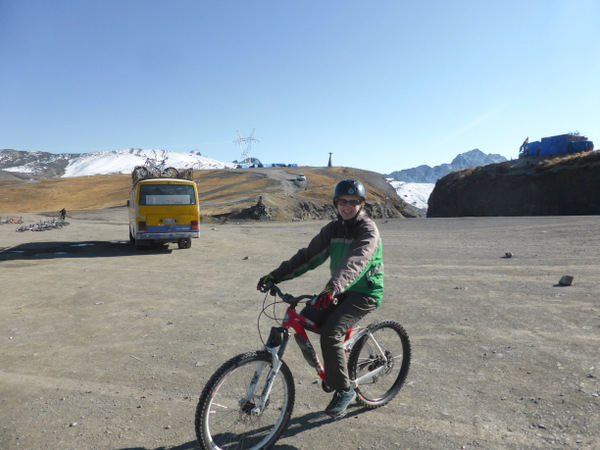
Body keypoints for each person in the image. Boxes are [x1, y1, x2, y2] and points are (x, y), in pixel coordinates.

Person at [257, 178, 384, 419]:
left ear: (361, 204)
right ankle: (335, 366)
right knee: (304, 318)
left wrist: (332, 287)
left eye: (354, 202)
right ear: (336, 203)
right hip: (340, 289)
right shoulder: (332, 229)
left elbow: (356, 261)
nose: (348, 206)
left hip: (365, 292)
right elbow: (308, 257)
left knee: (330, 333)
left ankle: (344, 390)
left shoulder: (368, 230)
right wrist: (276, 275)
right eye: (343, 201)